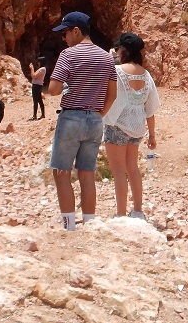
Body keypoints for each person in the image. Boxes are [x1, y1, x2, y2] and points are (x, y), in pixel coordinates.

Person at [46, 12, 117, 230]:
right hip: (95, 119)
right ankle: (89, 223)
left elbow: (53, 90)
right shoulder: (107, 57)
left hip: (71, 117)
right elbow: (112, 94)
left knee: (61, 172)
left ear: (76, 31)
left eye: (66, 32)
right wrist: (98, 114)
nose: (64, 38)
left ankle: (69, 225)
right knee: (87, 173)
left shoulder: (68, 55)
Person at [101, 33, 160, 219]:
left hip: (117, 125)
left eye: (118, 48)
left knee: (118, 172)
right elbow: (150, 109)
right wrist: (152, 135)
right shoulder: (146, 74)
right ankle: (138, 211)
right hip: (137, 128)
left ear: (123, 50)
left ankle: (120, 214)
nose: (117, 51)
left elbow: (106, 95)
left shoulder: (117, 71)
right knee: (132, 169)